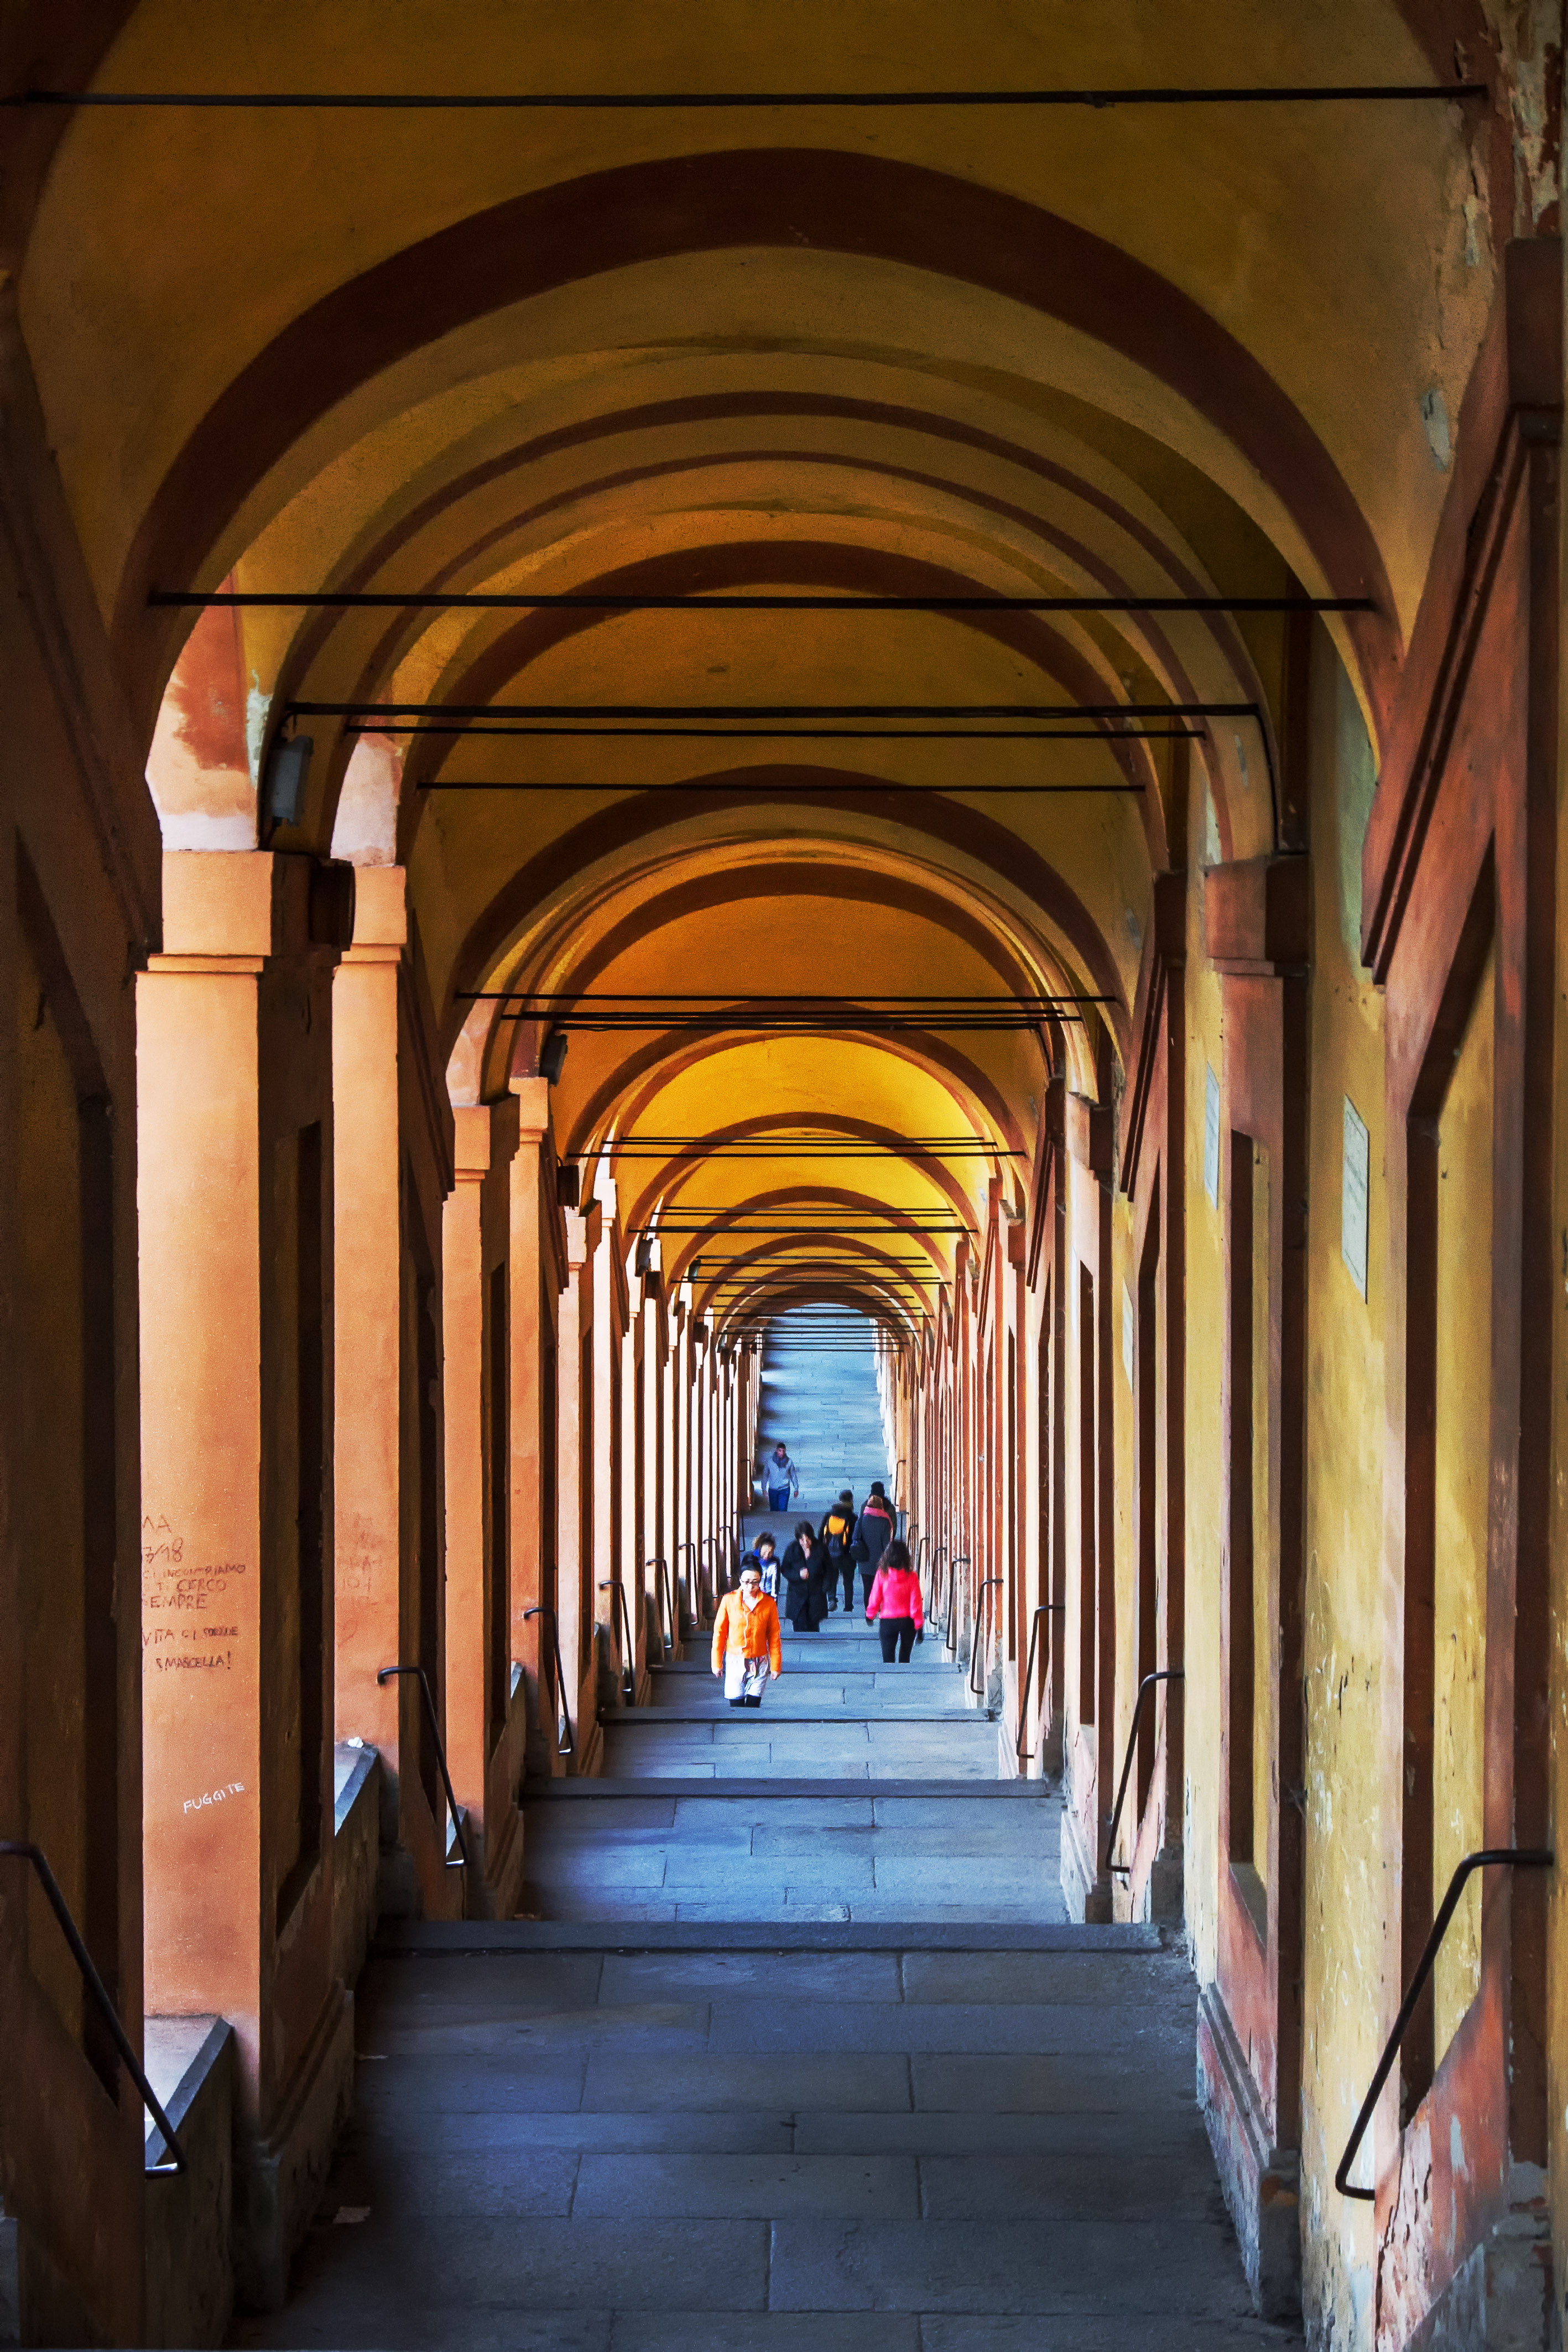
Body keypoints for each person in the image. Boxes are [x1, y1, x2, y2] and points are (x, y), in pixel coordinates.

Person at [711, 1557, 783, 1706]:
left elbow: (774, 1636)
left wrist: (776, 1665)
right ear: (740, 1580)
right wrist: (716, 1663)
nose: (750, 1587)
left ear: (760, 1581)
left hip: (760, 1661)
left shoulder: (769, 1604)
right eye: (746, 1582)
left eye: (755, 1582)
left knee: (753, 1705)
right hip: (735, 1661)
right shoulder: (728, 1601)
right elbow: (719, 1634)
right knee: (736, 1705)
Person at [864, 1537, 924, 1663]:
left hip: (887, 1622)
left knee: (888, 1658)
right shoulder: (912, 1576)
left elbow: (875, 1597)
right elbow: (916, 1602)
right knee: (905, 1657)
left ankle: (889, 1681)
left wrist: (870, 1615)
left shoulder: (882, 1574)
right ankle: (903, 1682)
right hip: (908, 1621)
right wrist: (918, 1624)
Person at [780, 1520, 830, 1631]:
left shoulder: (821, 1548)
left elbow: (829, 1569)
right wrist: (798, 1575)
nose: (805, 1542)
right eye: (802, 1539)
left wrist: (825, 1587)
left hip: (815, 1595)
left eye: (808, 1539)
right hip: (798, 1596)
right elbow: (785, 1569)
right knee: (799, 1628)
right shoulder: (792, 1549)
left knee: (814, 1627)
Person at [854, 1480, 896, 1605]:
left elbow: (856, 1535)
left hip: (864, 1557)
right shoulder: (889, 1510)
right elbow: (892, 1531)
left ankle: (869, 1610)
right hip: (879, 1558)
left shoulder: (863, 1509)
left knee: (867, 1586)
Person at [820, 1489, 858, 1614]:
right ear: (851, 1500)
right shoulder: (853, 1518)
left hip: (831, 1554)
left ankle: (832, 1600)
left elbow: (821, 1535)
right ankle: (848, 1606)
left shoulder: (830, 1515)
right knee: (848, 1581)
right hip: (847, 1556)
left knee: (832, 1577)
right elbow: (856, 1538)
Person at [760, 1440, 800, 1514]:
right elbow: (765, 1475)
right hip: (773, 1489)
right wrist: (764, 1488)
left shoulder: (789, 1462)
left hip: (785, 1489)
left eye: (783, 1451)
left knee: (783, 1510)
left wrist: (796, 1488)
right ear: (776, 1451)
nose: (781, 1453)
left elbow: (793, 1475)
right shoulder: (770, 1462)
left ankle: (782, 1525)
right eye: (780, 1451)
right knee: (774, 1510)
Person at [754, 1529, 780, 1598]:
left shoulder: (775, 1563)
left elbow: (775, 1583)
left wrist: (774, 1599)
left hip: (768, 1595)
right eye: (765, 1552)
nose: (767, 1555)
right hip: (754, 1593)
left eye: (770, 1552)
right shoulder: (752, 1560)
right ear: (760, 1549)